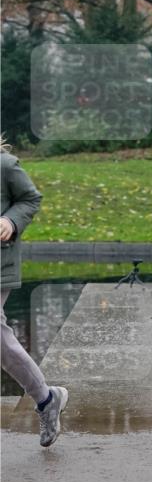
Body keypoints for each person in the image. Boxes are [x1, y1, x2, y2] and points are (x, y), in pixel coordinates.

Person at [1, 138, 68, 446]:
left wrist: (10, 221)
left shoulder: (5, 166)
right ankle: (46, 399)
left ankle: (45, 399)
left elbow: (30, 199)